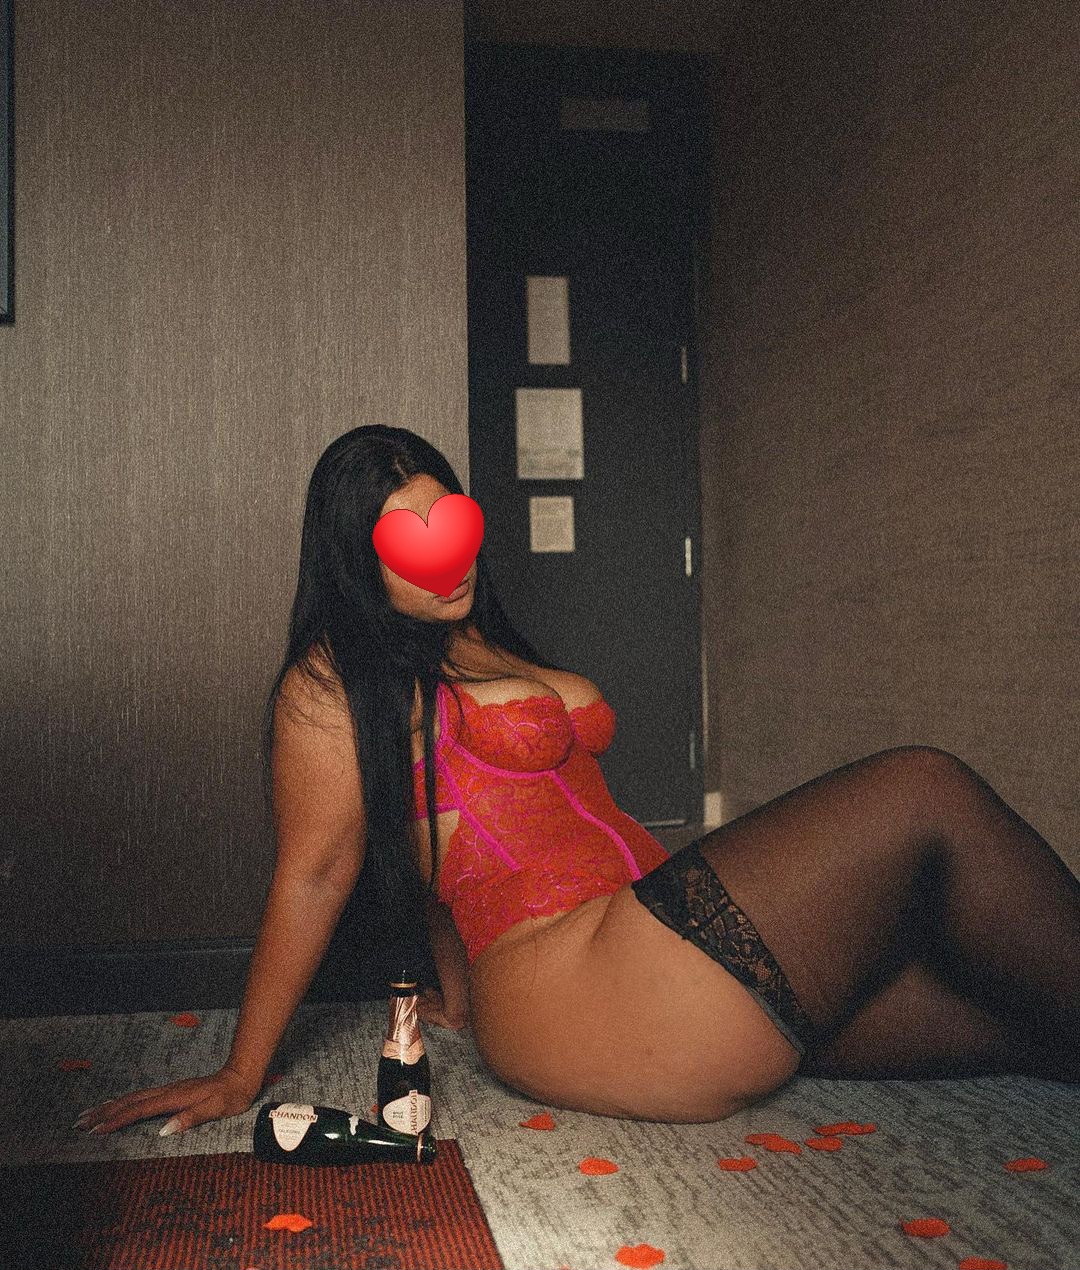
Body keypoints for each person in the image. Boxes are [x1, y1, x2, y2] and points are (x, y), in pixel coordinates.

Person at [75, 425, 1080, 1138]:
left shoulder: (478, 644)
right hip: (580, 979)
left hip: (659, 954)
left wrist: (452, 986)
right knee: (922, 787)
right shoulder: (334, 681)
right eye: (405, 540)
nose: (445, 558)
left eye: (450, 522)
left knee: (1018, 1018)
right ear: (355, 561)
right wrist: (241, 1070)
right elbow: (318, 869)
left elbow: (440, 840)